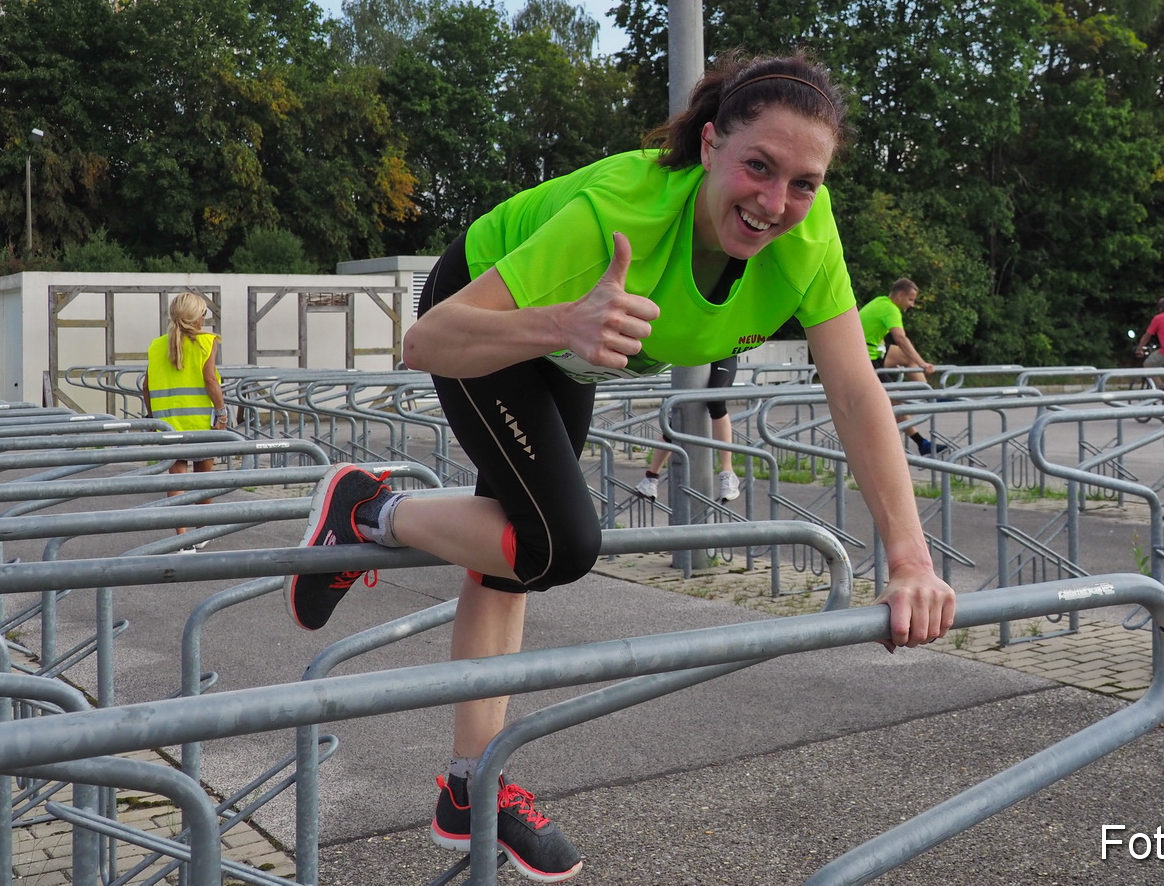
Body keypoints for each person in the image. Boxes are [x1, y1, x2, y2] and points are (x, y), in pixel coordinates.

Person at [283, 51, 956, 882]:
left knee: (515, 558)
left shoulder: (807, 237)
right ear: (710, 144)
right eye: (758, 166)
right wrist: (561, 321)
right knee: (559, 543)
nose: (775, 202)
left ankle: (469, 785)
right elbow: (426, 344)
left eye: (804, 181)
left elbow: (855, 392)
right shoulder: (617, 215)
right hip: (498, 316)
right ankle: (369, 506)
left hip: (573, 348)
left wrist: (910, 560)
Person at [141, 292, 226, 546]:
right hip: (201, 421)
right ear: (196, 317)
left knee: (176, 477)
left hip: (168, 421)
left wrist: (152, 415)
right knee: (204, 480)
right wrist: (221, 411)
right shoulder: (207, 342)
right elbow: (210, 379)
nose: (204, 318)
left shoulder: (157, 345)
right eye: (203, 313)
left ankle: (182, 538)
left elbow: (146, 385)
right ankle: (202, 533)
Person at [633, 355, 741, 501]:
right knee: (681, 414)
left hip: (723, 350)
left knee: (716, 401)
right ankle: (651, 478)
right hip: (693, 350)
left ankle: (728, 472)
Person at [859, 279, 942, 456]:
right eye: (910, 300)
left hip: (873, 351)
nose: (911, 305)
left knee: (905, 357)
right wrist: (923, 364)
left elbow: (867, 326)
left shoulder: (881, 301)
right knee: (896, 399)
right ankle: (922, 443)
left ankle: (929, 395)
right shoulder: (891, 309)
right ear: (900, 295)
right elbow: (901, 339)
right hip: (865, 357)